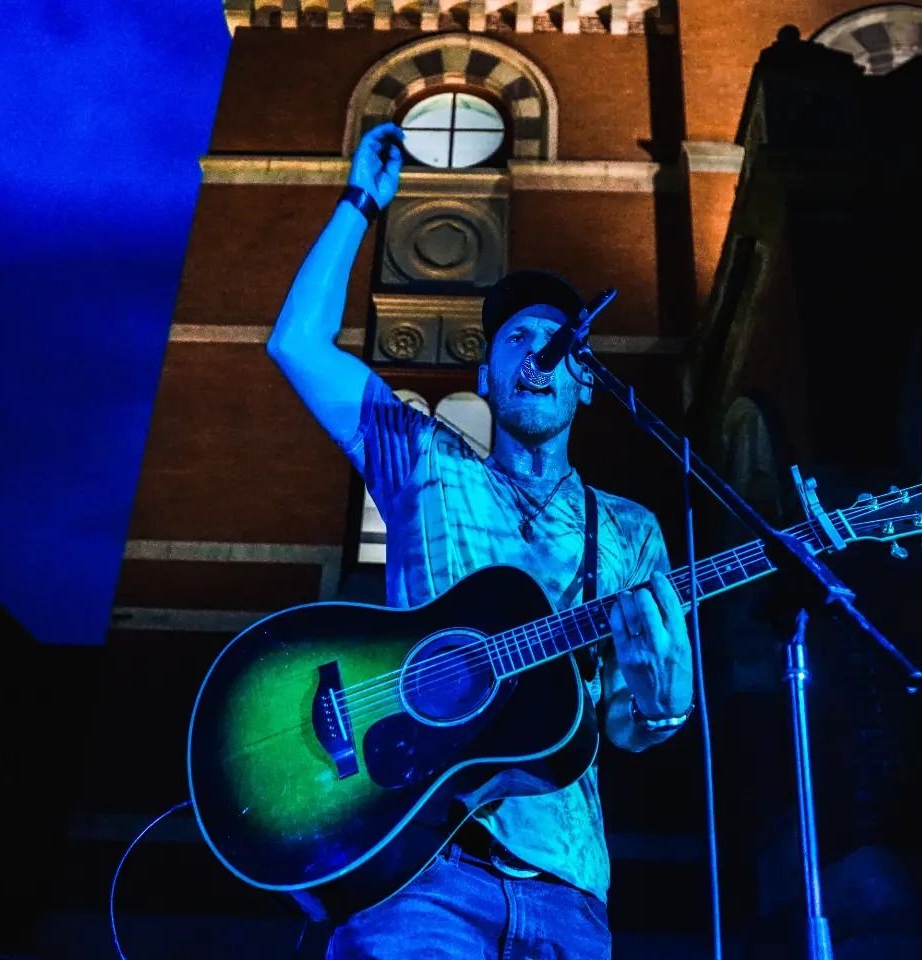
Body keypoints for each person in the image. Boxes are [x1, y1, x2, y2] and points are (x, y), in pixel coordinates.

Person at [267, 121, 695, 960]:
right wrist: (359, 204)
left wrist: (664, 706)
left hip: (569, 887)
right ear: (485, 377)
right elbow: (296, 344)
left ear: (586, 382)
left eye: (558, 343)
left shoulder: (631, 530)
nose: (538, 356)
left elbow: (621, 724)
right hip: (416, 871)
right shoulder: (427, 462)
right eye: (516, 341)